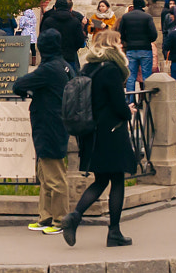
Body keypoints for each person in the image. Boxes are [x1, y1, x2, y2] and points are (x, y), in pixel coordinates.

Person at [59, 30, 137, 248]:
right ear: (112, 45)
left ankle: (75, 217)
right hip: (112, 131)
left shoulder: (89, 67)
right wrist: (128, 111)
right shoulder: (111, 70)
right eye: (119, 42)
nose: (122, 46)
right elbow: (117, 104)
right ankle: (114, 232)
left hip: (93, 133)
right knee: (117, 180)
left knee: (101, 179)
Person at [11, 25, 72, 233]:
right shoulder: (64, 65)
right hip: (55, 123)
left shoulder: (48, 69)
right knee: (45, 174)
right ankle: (46, 216)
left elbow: (19, 83)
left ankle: (61, 219)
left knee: (54, 176)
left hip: (49, 125)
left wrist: (24, 89)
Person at [119, 0, 158, 99]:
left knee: (131, 76)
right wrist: (148, 40)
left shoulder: (126, 17)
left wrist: (128, 40)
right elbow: (154, 34)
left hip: (131, 49)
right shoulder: (147, 17)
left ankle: (130, 100)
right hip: (145, 49)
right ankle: (146, 100)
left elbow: (121, 33)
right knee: (146, 76)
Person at [40, 0, 86, 72]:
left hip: (52, 58)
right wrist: (73, 49)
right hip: (70, 57)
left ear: (55, 8)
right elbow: (80, 41)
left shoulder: (48, 21)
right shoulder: (75, 21)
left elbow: (42, 39)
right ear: (69, 8)